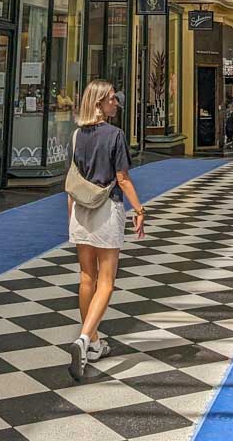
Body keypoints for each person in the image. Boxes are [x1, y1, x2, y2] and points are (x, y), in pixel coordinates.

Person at [67, 80, 146, 380]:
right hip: (105, 210)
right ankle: (84, 339)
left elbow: (72, 181)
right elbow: (122, 178)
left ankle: (95, 341)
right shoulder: (115, 135)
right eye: (112, 99)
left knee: (87, 276)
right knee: (107, 281)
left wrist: (70, 216)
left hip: (80, 212)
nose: (117, 103)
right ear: (99, 103)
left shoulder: (77, 136)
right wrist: (140, 209)